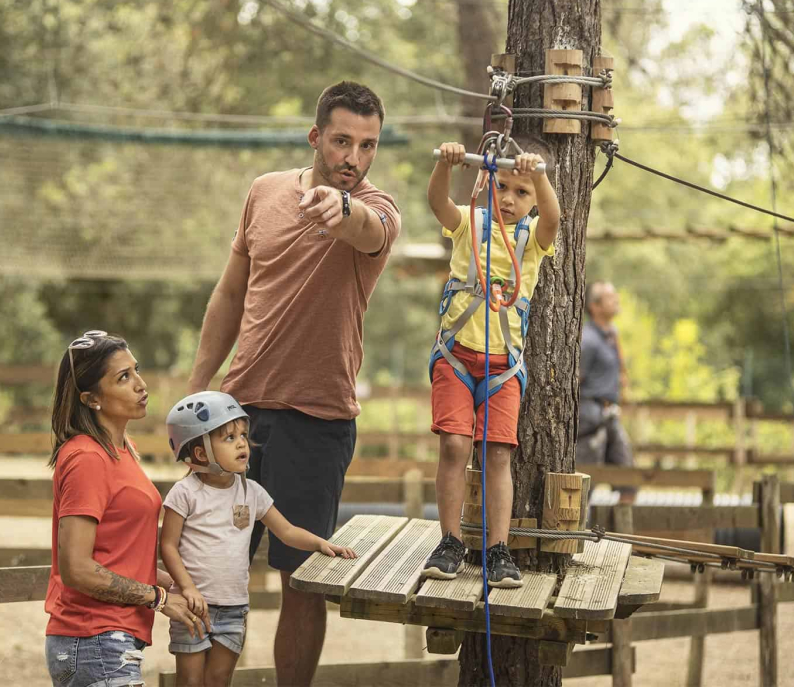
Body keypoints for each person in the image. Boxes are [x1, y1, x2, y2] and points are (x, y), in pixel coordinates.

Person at [186, 81, 400, 686]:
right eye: (341, 141)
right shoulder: (264, 193)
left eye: (366, 145)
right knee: (211, 574)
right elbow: (231, 292)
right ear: (316, 138)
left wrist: (342, 209)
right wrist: (199, 388)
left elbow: (368, 227)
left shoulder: (378, 209)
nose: (352, 158)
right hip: (235, 414)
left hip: (319, 422)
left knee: (303, 582)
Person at [422, 139, 560, 587]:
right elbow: (437, 202)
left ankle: (498, 549)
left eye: (523, 192)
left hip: (503, 366)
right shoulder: (471, 222)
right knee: (455, 447)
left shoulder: (533, 241)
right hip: (456, 356)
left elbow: (555, 220)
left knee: (498, 453)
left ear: (536, 198)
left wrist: (536, 172)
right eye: (503, 186)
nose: (509, 199)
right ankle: (449, 540)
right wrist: (447, 165)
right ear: (489, 182)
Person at [45, 330, 209, 687]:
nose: (140, 384)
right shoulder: (87, 456)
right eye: (123, 377)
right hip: (93, 639)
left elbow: (120, 553)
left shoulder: (121, 449)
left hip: (111, 640)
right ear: (91, 399)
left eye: (136, 370)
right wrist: (159, 597)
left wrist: (177, 585)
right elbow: (76, 569)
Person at [160, 390, 356, 687]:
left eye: (243, 434)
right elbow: (168, 546)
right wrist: (187, 588)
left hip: (234, 607)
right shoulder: (184, 493)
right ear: (201, 454)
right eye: (229, 438)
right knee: (189, 680)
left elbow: (287, 531)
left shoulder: (252, 492)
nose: (242, 443)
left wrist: (320, 543)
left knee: (218, 679)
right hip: (193, 606)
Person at [577, 281, 636, 503]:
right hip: (591, 420)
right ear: (595, 306)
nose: (616, 300)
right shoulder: (588, 340)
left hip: (610, 416)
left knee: (630, 479)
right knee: (585, 485)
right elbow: (576, 380)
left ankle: (622, 535)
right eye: (610, 297)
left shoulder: (611, 335)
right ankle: (577, 536)